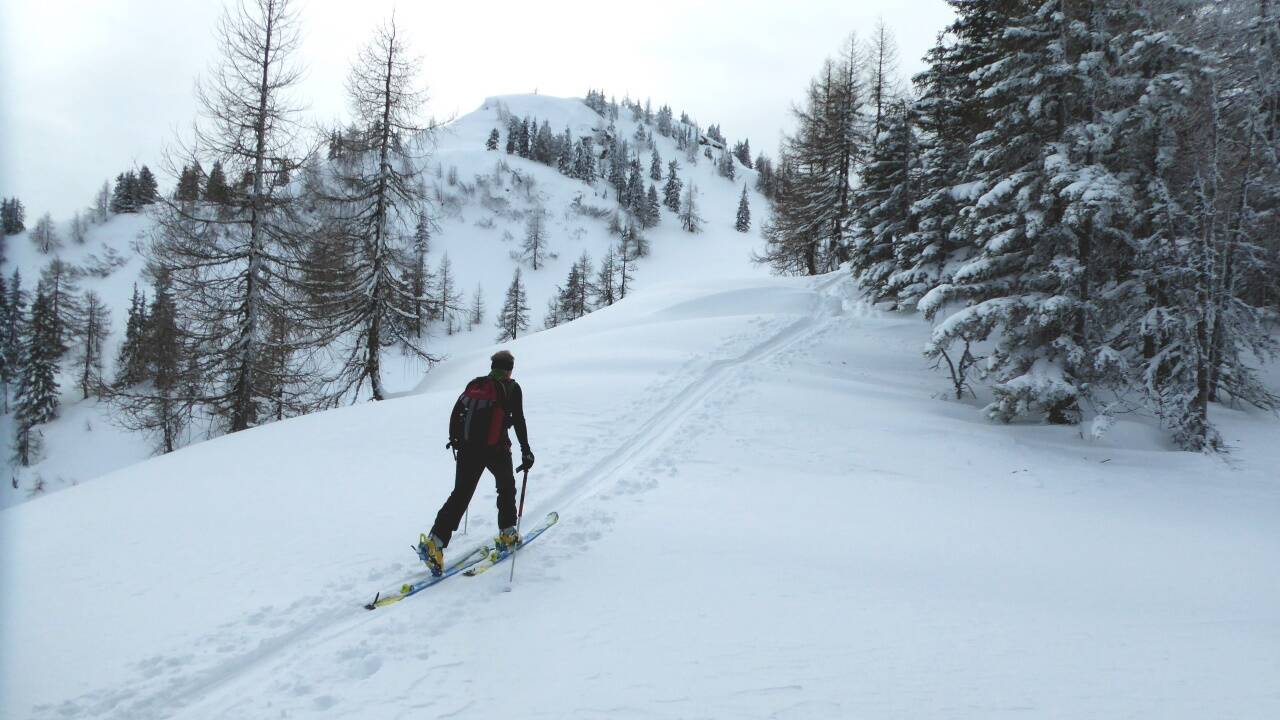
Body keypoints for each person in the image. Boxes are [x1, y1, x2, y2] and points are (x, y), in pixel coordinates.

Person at [418, 350, 534, 575]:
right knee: (506, 486)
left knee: (460, 494)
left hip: (467, 448)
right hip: (495, 448)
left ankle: (435, 542)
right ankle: (508, 532)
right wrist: (526, 451)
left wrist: (458, 441)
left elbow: (460, 413)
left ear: (492, 366)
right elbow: (519, 420)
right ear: (510, 369)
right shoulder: (512, 388)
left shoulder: (475, 384)